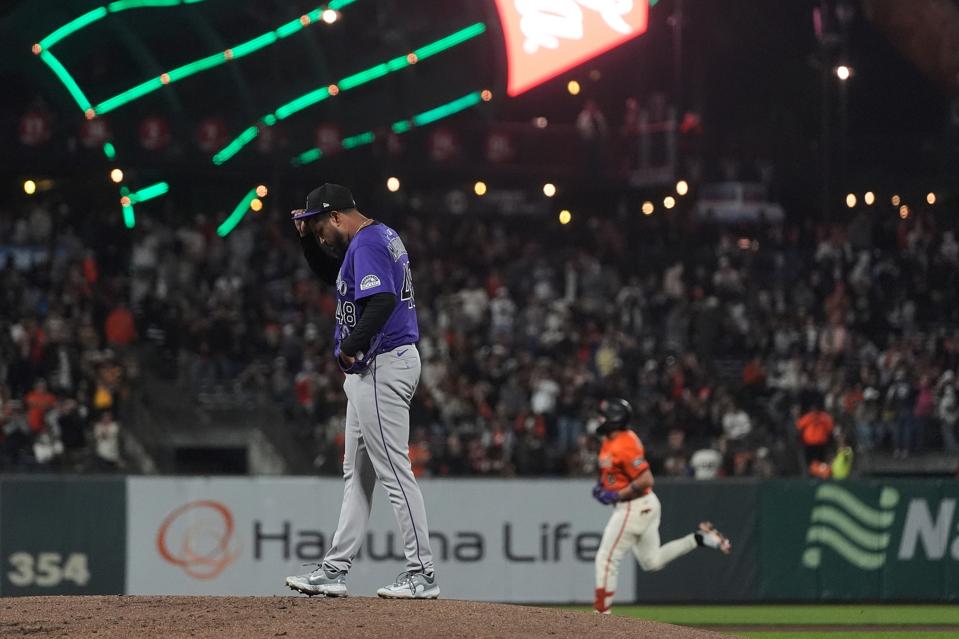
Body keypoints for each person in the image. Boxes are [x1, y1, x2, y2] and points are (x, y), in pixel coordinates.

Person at [284, 183, 438, 600]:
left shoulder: (367, 242)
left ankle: (422, 572)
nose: (318, 236)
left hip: (382, 364)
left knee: (391, 470)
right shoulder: (376, 237)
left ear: (336, 216)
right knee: (358, 474)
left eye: (319, 228)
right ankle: (335, 568)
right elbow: (338, 279)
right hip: (378, 366)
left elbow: (383, 300)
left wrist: (351, 347)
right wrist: (308, 246)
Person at [591, 398, 731, 615]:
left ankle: (600, 617)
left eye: (604, 414)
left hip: (633, 506)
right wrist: (603, 486)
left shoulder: (624, 444)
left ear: (614, 419)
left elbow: (646, 479)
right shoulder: (611, 439)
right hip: (644, 505)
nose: (599, 418)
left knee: (606, 558)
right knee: (652, 561)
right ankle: (699, 539)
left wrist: (617, 494)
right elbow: (615, 473)